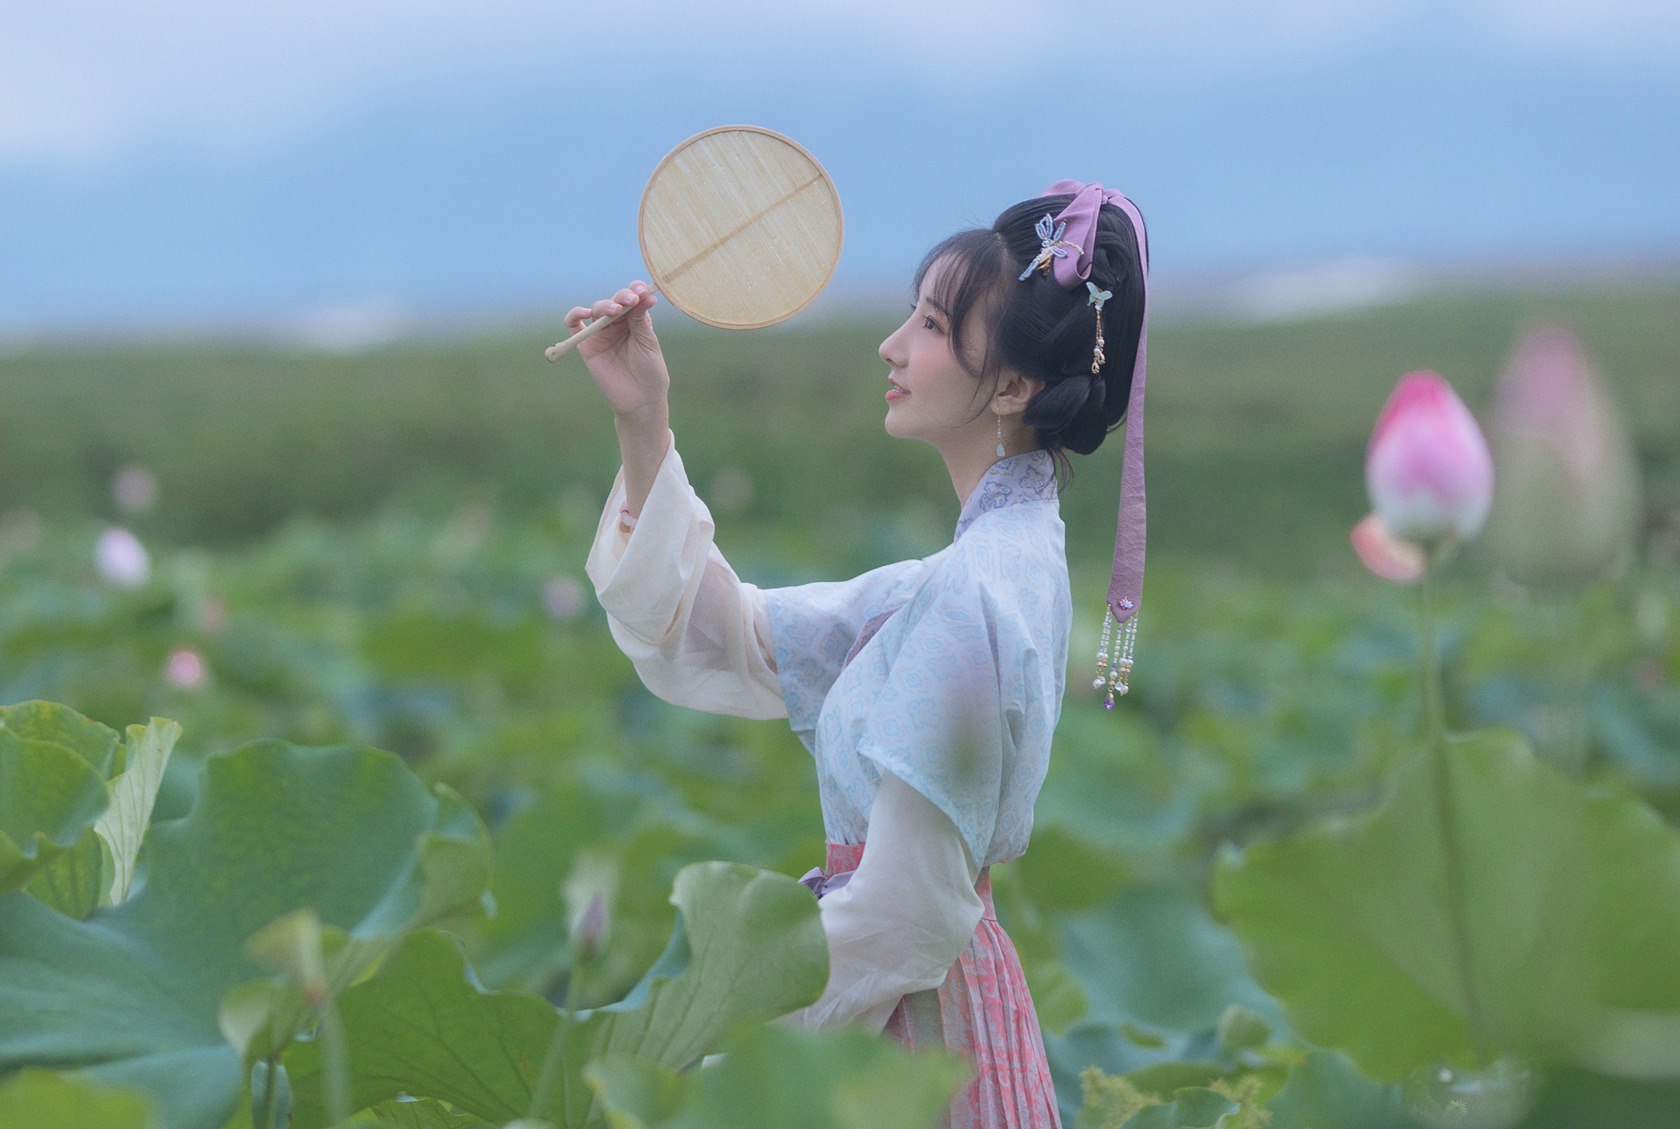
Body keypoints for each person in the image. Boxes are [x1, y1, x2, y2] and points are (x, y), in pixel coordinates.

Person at [575, 180, 1149, 1128]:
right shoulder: (985, 563)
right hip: (908, 999)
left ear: (1011, 387)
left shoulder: (977, 590)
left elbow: (902, 915)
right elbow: (742, 636)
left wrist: (719, 1049)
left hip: (901, 1032)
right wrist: (645, 420)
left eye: (928, 323)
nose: (892, 344)